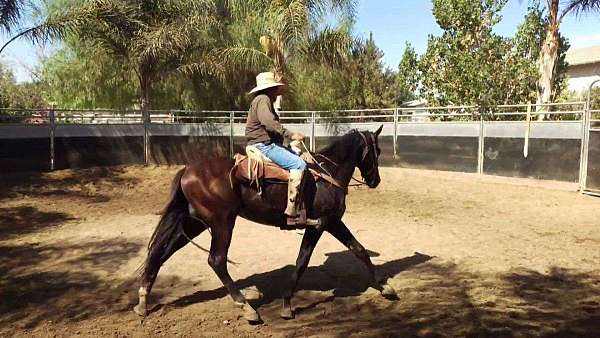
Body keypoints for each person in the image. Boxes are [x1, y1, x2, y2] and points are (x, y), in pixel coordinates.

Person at [245, 72, 315, 227]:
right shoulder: (263, 100)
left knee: (299, 157)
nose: (277, 92)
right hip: (264, 145)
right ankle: (292, 214)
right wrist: (291, 135)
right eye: (276, 89)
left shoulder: (260, 100)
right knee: (299, 165)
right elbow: (268, 122)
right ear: (270, 89)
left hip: (265, 143)